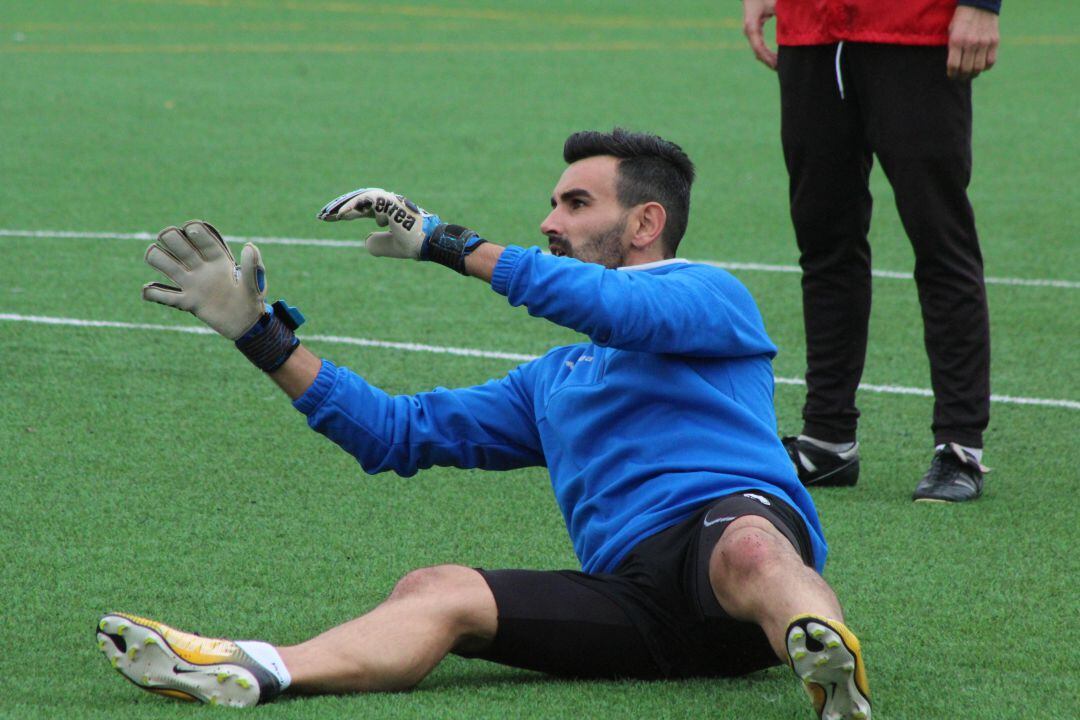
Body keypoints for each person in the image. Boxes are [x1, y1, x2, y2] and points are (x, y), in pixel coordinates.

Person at [96, 129, 871, 719]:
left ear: (645, 223)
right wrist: (260, 337)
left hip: (730, 550)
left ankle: (823, 655)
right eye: (555, 203)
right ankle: (263, 667)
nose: (549, 220)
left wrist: (447, 243)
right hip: (642, 606)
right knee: (436, 589)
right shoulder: (554, 383)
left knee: (746, 546)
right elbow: (395, 432)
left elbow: (607, 304)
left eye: (576, 203)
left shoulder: (710, 297)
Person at [740, 0, 1000, 501]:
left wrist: (981, 3)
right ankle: (828, 439)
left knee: (940, 239)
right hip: (812, 30)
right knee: (823, 241)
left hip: (914, 27)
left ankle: (959, 444)